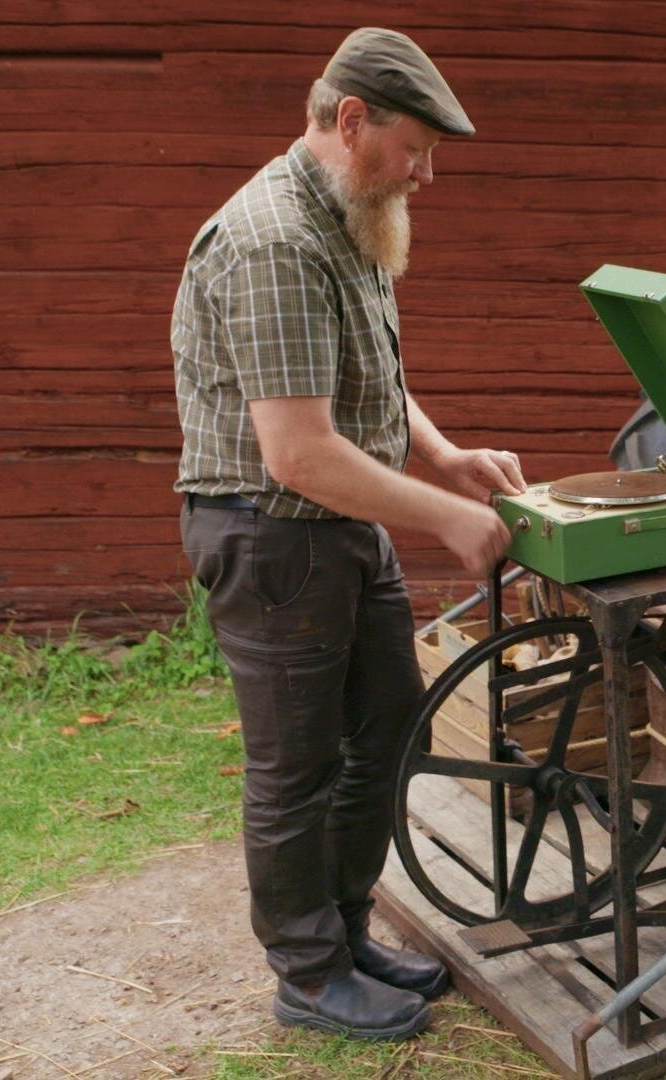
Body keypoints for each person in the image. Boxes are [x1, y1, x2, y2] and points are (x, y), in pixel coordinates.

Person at [170, 26, 520, 1040]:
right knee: (297, 768)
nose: (425, 173)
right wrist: (450, 516)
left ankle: (345, 932)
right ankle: (311, 976)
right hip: (273, 538)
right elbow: (298, 453)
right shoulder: (275, 241)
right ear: (352, 120)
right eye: (415, 149)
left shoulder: (348, 216)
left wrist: (445, 458)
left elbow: (366, 381)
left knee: (388, 728)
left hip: (342, 527)